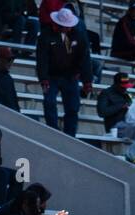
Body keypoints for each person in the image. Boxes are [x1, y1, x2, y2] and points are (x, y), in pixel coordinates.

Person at [37, 7, 91, 137]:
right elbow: (42, 58)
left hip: (70, 76)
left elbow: (85, 57)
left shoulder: (79, 35)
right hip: (51, 75)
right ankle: (53, 131)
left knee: (73, 107)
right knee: (49, 103)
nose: (67, 28)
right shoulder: (45, 35)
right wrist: (43, 77)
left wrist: (87, 80)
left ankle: (70, 135)